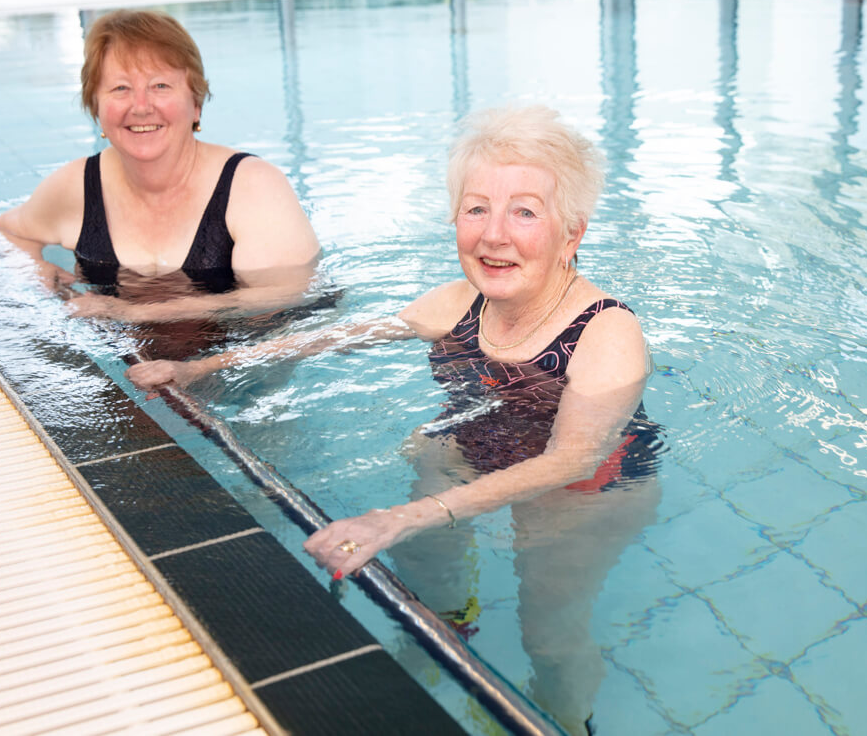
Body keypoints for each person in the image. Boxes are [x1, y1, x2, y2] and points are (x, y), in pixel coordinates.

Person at [128, 105, 661, 733]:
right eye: (476, 209)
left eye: (524, 212)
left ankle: (564, 722)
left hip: (585, 488)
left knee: (548, 632)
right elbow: (341, 336)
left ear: (571, 234)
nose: (494, 235)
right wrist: (198, 368)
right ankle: (448, 619)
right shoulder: (459, 302)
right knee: (430, 468)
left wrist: (397, 518)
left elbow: (571, 458)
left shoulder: (606, 332)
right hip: (482, 446)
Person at [0, 8, 321, 326]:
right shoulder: (76, 186)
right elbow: (5, 231)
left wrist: (138, 313)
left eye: (160, 86)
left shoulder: (252, 188)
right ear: (96, 107)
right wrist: (34, 267)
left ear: (195, 102)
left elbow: (286, 301)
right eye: (120, 88)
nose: (141, 107)